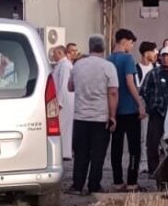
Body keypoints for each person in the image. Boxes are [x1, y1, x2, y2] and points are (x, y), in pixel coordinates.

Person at [67, 34, 118, 195]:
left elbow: (70, 87)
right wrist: (112, 116)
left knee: (81, 153)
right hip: (100, 117)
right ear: (103, 48)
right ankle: (94, 185)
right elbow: (113, 93)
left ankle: (77, 185)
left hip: (80, 117)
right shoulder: (108, 67)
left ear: (89, 47)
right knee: (98, 154)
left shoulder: (78, 65)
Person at [108, 29, 146, 192]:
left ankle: (117, 181)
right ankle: (132, 181)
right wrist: (140, 103)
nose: (131, 46)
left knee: (116, 147)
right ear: (125, 41)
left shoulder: (108, 59)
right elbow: (130, 82)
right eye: (131, 43)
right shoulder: (128, 59)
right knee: (134, 148)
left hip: (114, 110)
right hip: (129, 109)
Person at [141, 47, 168, 175]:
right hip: (157, 113)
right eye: (163, 55)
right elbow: (144, 90)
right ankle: (154, 170)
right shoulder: (153, 73)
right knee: (152, 143)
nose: (165, 58)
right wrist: (151, 105)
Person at [50, 45, 74, 161]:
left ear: (60, 53)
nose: (52, 55)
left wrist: (59, 103)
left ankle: (64, 153)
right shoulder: (61, 65)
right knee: (62, 127)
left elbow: (63, 85)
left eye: (54, 53)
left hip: (63, 101)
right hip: (62, 99)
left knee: (63, 126)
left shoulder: (64, 66)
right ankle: (63, 152)